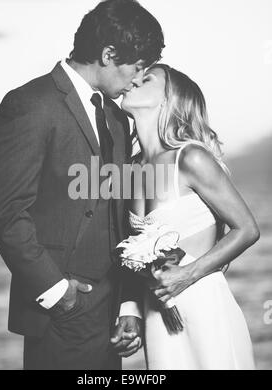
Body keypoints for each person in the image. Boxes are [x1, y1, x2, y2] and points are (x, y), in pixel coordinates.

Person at [0, 0, 164, 370]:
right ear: (108, 53)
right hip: (59, 308)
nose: (138, 79)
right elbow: (5, 214)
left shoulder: (117, 118)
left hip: (111, 310)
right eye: (137, 67)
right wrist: (58, 293)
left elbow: (122, 214)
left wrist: (129, 302)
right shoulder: (30, 104)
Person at [121, 64, 260, 370]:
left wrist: (187, 274)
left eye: (146, 79)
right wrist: (130, 309)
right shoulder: (133, 169)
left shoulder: (190, 157)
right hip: (157, 317)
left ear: (168, 99)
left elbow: (247, 229)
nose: (133, 81)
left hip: (204, 307)